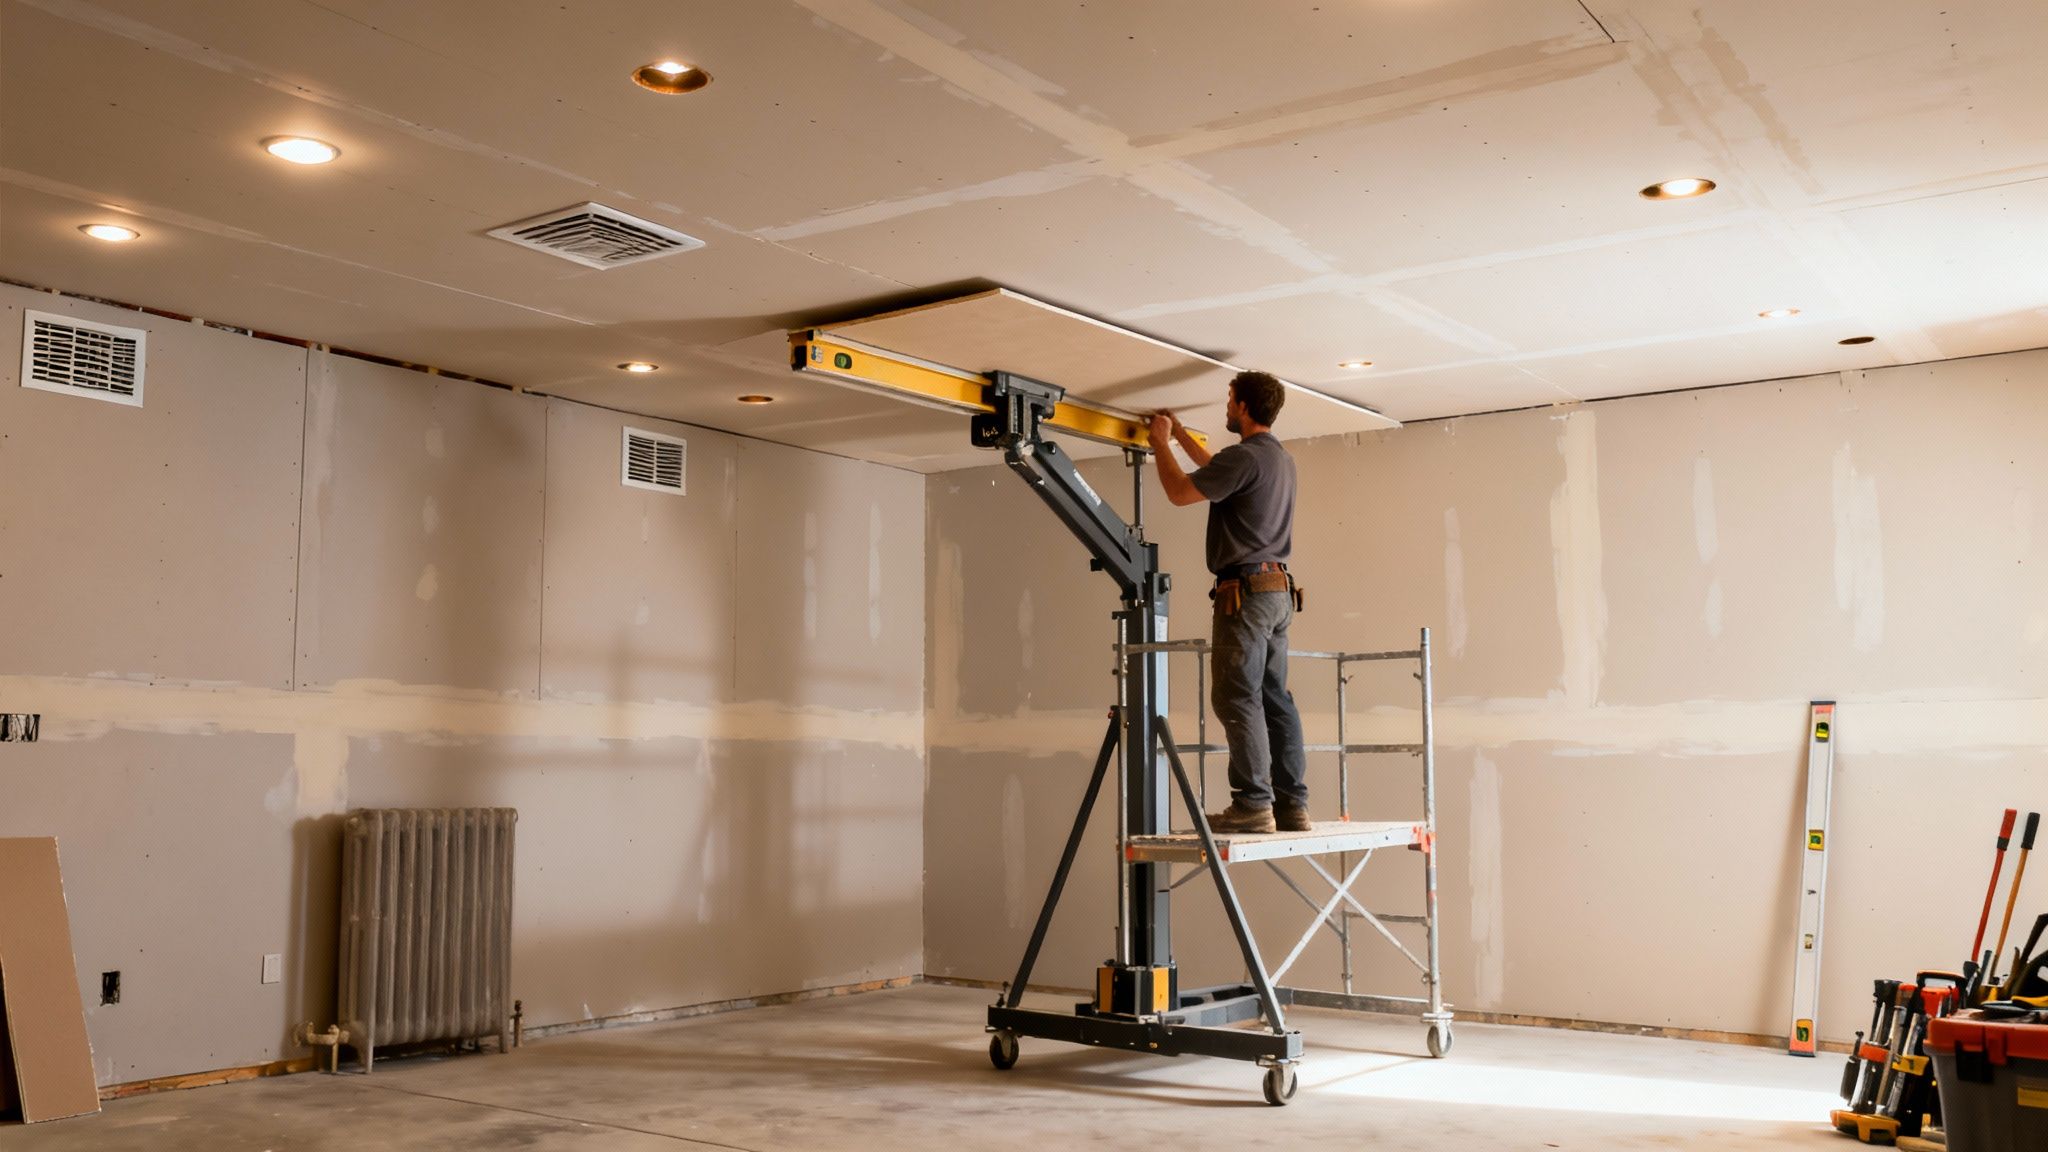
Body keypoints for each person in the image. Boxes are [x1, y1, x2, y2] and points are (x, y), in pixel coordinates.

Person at [1147, 371, 1309, 834]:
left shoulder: (1245, 458)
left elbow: (1181, 493)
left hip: (1245, 594)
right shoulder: (1278, 459)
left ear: (1242, 407)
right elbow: (1215, 469)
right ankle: (1290, 805)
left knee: (1237, 694)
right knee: (1275, 697)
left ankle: (1254, 805)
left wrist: (1159, 444)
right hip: (1277, 591)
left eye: (1229, 399)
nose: (1226, 407)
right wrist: (1178, 435)